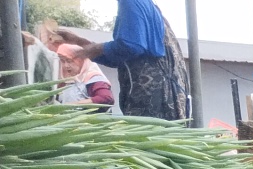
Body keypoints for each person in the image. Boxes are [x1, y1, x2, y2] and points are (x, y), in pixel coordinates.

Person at [46, 0, 184, 119]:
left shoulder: (131, 2)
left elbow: (132, 46)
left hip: (156, 100)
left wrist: (94, 49)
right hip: (159, 98)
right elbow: (118, 58)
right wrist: (79, 42)